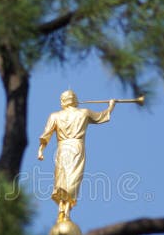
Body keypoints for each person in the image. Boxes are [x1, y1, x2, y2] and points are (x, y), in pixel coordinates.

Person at [38, 90, 115, 224]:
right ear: (75, 100)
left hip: (62, 148)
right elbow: (102, 116)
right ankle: (66, 208)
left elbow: (46, 134)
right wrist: (111, 106)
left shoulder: (55, 116)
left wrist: (41, 150)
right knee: (73, 178)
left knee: (62, 177)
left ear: (63, 101)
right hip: (77, 148)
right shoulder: (83, 112)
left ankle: (62, 208)